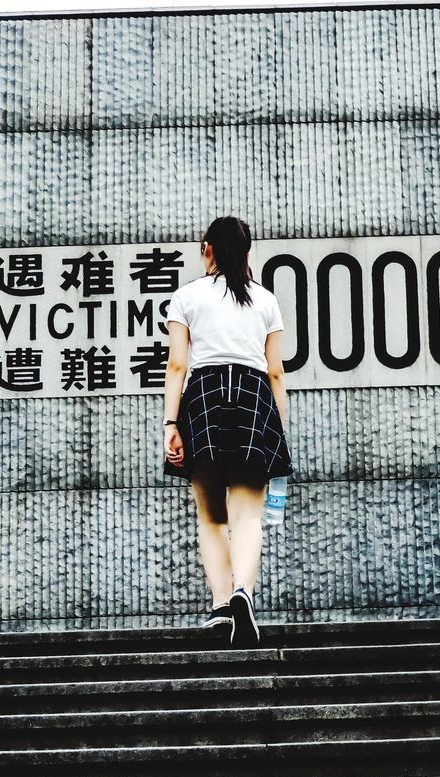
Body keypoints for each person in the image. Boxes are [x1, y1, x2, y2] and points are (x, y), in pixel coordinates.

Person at [161, 216, 292, 648]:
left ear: (207, 250)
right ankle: (244, 594)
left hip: (203, 395)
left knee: (212, 515)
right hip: (255, 395)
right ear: (248, 254)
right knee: (248, 514)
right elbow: (275, 371)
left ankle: (220, 606)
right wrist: (278, 427)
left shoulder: (186, 297)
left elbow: (178, 364)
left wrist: (171, 423)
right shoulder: (267, 301)